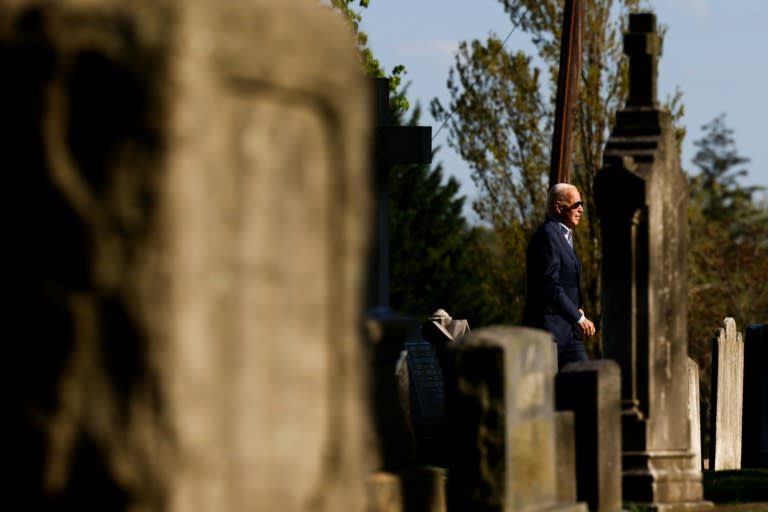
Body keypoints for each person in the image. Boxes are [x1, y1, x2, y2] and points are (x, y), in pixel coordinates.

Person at [523, 183, 595, 369]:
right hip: (549, 333)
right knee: (546, 394)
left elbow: (568, 282)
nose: (581, 209)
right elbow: (550, 285)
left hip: (569, 333)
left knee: (584, 383)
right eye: (576, 204)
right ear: (558, 207)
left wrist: (578, 308)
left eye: (582, 204)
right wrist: (578, 318)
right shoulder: (548, 235)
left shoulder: (565, 236)